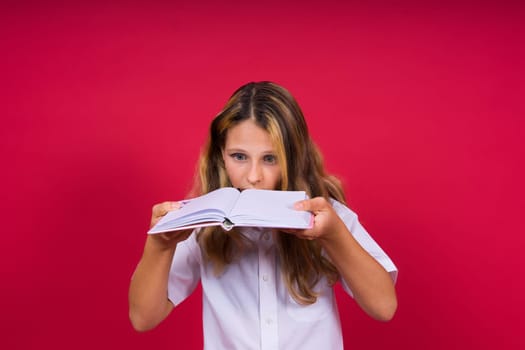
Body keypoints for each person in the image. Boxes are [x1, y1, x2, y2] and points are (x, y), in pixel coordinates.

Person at [128, 81, 398, 349]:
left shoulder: (327, 218)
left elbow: (384, 307)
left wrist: (335, 236)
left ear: (293, 159)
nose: (254, 177)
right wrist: (159, 245)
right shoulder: (203, 223)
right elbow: (143, 318)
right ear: (221, 155)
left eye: (270, 159)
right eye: (239, 156)